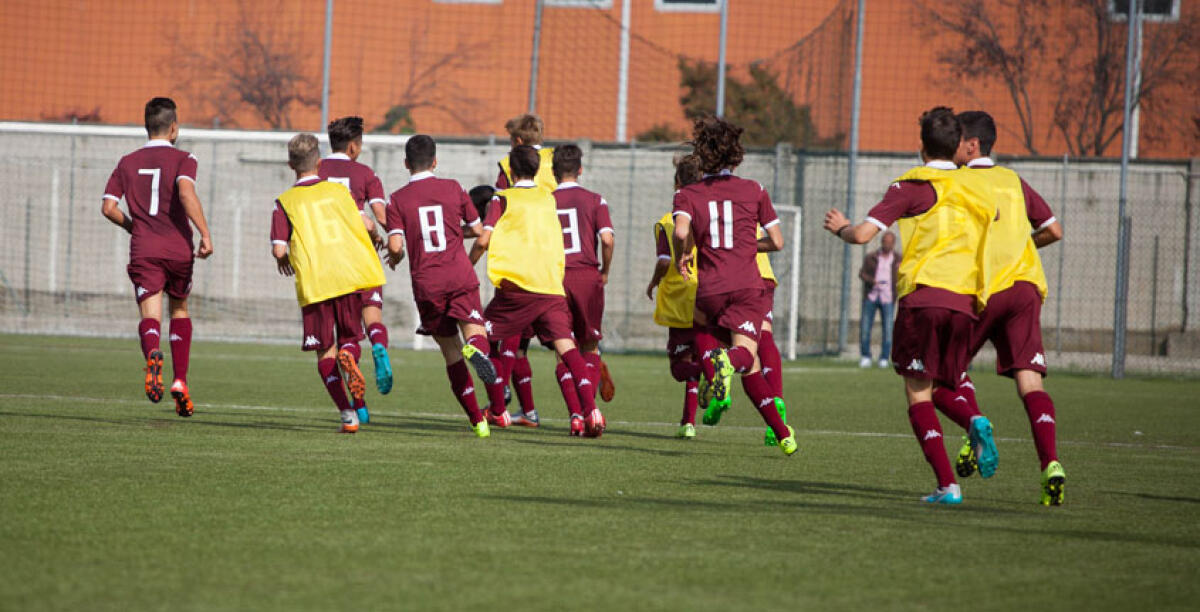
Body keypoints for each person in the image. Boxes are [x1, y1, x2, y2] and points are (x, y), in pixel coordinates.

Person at [823, 106, 1000, 504]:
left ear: (921, 147)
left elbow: (863, 235)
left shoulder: (910, 185)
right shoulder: (980, 187)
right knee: (946, 384)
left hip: (925, 298)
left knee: (919, 392)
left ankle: (948, 483)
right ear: (959, 145)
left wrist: (841, 228)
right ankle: (973, 418)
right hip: (967, 301)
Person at [939, 110, 1066, 505]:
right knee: (1031, 381)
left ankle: (974, 427)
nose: (954, 146)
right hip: (1026, 287)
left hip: (983, 288)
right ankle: (1051, 463)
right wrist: (1020, 248)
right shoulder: (1013, 179)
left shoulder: (958, 181)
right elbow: (1054, 230)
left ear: (971, 145)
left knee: (945, 374)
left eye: (958, 139)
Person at [671, 116, 795, 456]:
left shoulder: (687, 193)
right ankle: (725, 363)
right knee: (746, 354)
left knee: (737, 356)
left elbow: (681, 232)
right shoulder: (755, 189)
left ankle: (783, 433)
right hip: (746, 287)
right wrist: (745, 246)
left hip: (710, 288)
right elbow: (778, 241)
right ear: (735, 155)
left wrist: (685, 255)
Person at [471, 145, 604, 437]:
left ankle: (497, 409)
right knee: (567, 349)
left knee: (478, 337)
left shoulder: (502, 198)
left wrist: (468, 266)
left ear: (513, 172)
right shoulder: (548, 198)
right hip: (551, 287)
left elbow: (483, 240)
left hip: (517, 288)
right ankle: (591, 410)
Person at [101, 97, 213, 418]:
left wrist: (134, 227)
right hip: (177, 247)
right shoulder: (184, 158)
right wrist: (204, 233)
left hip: (144, 248)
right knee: (179, 308)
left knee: (150, 313)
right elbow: (186, 193)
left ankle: (153, 353)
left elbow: (108, 207)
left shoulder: (127, 162)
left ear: (146, 127)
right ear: (174, 128)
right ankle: (180, 381)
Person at [270, 133, 386, 434]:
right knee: (350, 338)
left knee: (325, 351)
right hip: (346, 275)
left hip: (315, 282)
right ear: (319, 163)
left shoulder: (285, 202)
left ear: (289, 165)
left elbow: (279, 249)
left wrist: (283, 260)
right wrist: (375, 237)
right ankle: (350, 355)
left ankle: (348, 415)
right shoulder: (338, 192)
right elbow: (366, 223)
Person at [384, 135, 495, 438]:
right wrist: (453, 233)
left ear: (406, 164)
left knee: (450, 351)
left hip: (427, 283)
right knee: (475, 331)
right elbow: (476, 229)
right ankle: (476, 347)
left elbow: (395, 245)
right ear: (435, 161)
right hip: (459, 274)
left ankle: (478, 421)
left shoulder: (396, 199)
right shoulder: (454, 188)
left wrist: (396, 255)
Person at [318, 117, 393, 420]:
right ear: (353, 146)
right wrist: (391, 235)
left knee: (334, 337)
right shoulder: (365, 173)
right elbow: (381, 216)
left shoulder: (316, 170)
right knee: (369, 316)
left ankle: (358, 408)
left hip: (325, 262)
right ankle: (377, 343)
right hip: (360, 256)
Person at [544, 144, 616, 423]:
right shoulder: (596, 200)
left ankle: (576, 414)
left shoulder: (546, 201)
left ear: (553, 172)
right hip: (587, 277)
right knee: (589, 346)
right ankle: (591, 411)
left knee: (564, 350)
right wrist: (605, 272)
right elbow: (607, 240)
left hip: (555, 279)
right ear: (581, 170)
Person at [493, 114, 555, 416]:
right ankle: (530, 412)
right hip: (554, 261)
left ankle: (500, 389)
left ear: (517, 142)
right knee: (557, 345)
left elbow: (501, 203)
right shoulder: (556, 163)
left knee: (505, 332)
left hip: (519, 261)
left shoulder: (510, 166)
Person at [857, 231, 900, 368]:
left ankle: (883, 357)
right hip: (871, 296)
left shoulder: (899, 259)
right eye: (885, 242)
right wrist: (872, 281)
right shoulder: (871, 257)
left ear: (893, 244)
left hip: (888, 297)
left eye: (889, 242)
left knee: (888, 328)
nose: (887, 244)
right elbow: (862, 273)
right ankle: (865, 356)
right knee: (865, 327)